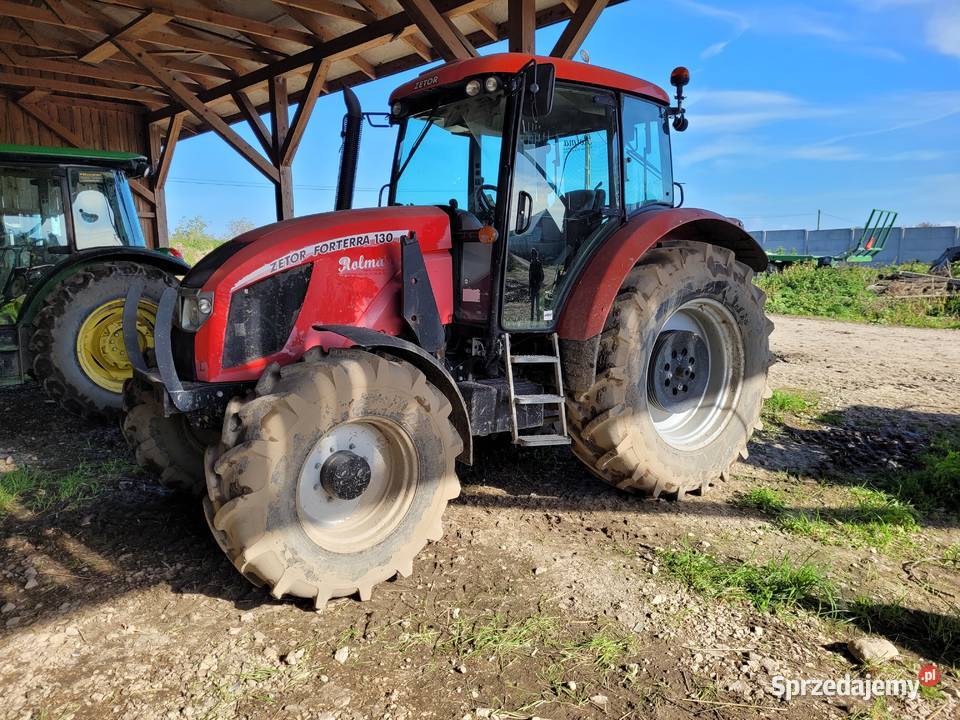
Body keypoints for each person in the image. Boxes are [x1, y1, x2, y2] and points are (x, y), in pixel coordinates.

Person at [528, 247, 544, 322]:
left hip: (537, 287)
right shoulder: (531, 264)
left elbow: (542, 275)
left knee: (537, 305)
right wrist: (529, 288)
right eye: (532, 255)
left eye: (533, 255)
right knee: (532, 306)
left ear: (535, 256)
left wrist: (539, 284)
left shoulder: (538, 264)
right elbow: (530, 277)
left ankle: (538, 320)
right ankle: (532, 320)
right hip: (533, 287)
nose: (532, 256)